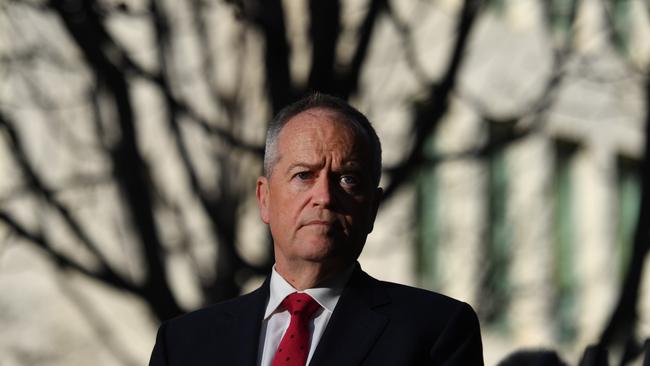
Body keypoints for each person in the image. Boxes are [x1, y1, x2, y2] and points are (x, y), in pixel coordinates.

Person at [148, 93, 484, 365]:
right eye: (303, 175)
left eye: (347, 179)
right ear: (264, 198)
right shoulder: (183, 345)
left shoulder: (436, 333)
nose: (324, 196)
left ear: (372, 208)